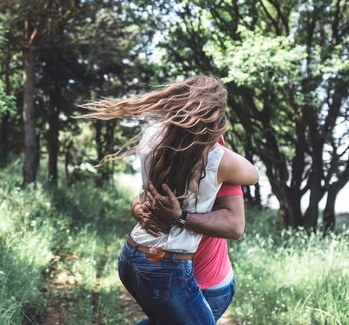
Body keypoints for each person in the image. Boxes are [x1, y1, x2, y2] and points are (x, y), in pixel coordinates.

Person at [80, 75, 258, 325]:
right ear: (216, 117)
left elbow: (145, 193)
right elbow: (253, 174)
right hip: (166, 267)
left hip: (132, 255)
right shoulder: (219, 160)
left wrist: (139, 207)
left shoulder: (152, 137)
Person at [133, 180, 244, 322]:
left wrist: (180, 218)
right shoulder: (164, 159)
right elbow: (140, 198)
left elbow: (235, 227)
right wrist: (137, 209)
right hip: (160, 273)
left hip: (207, 284)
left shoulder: (219, 163)